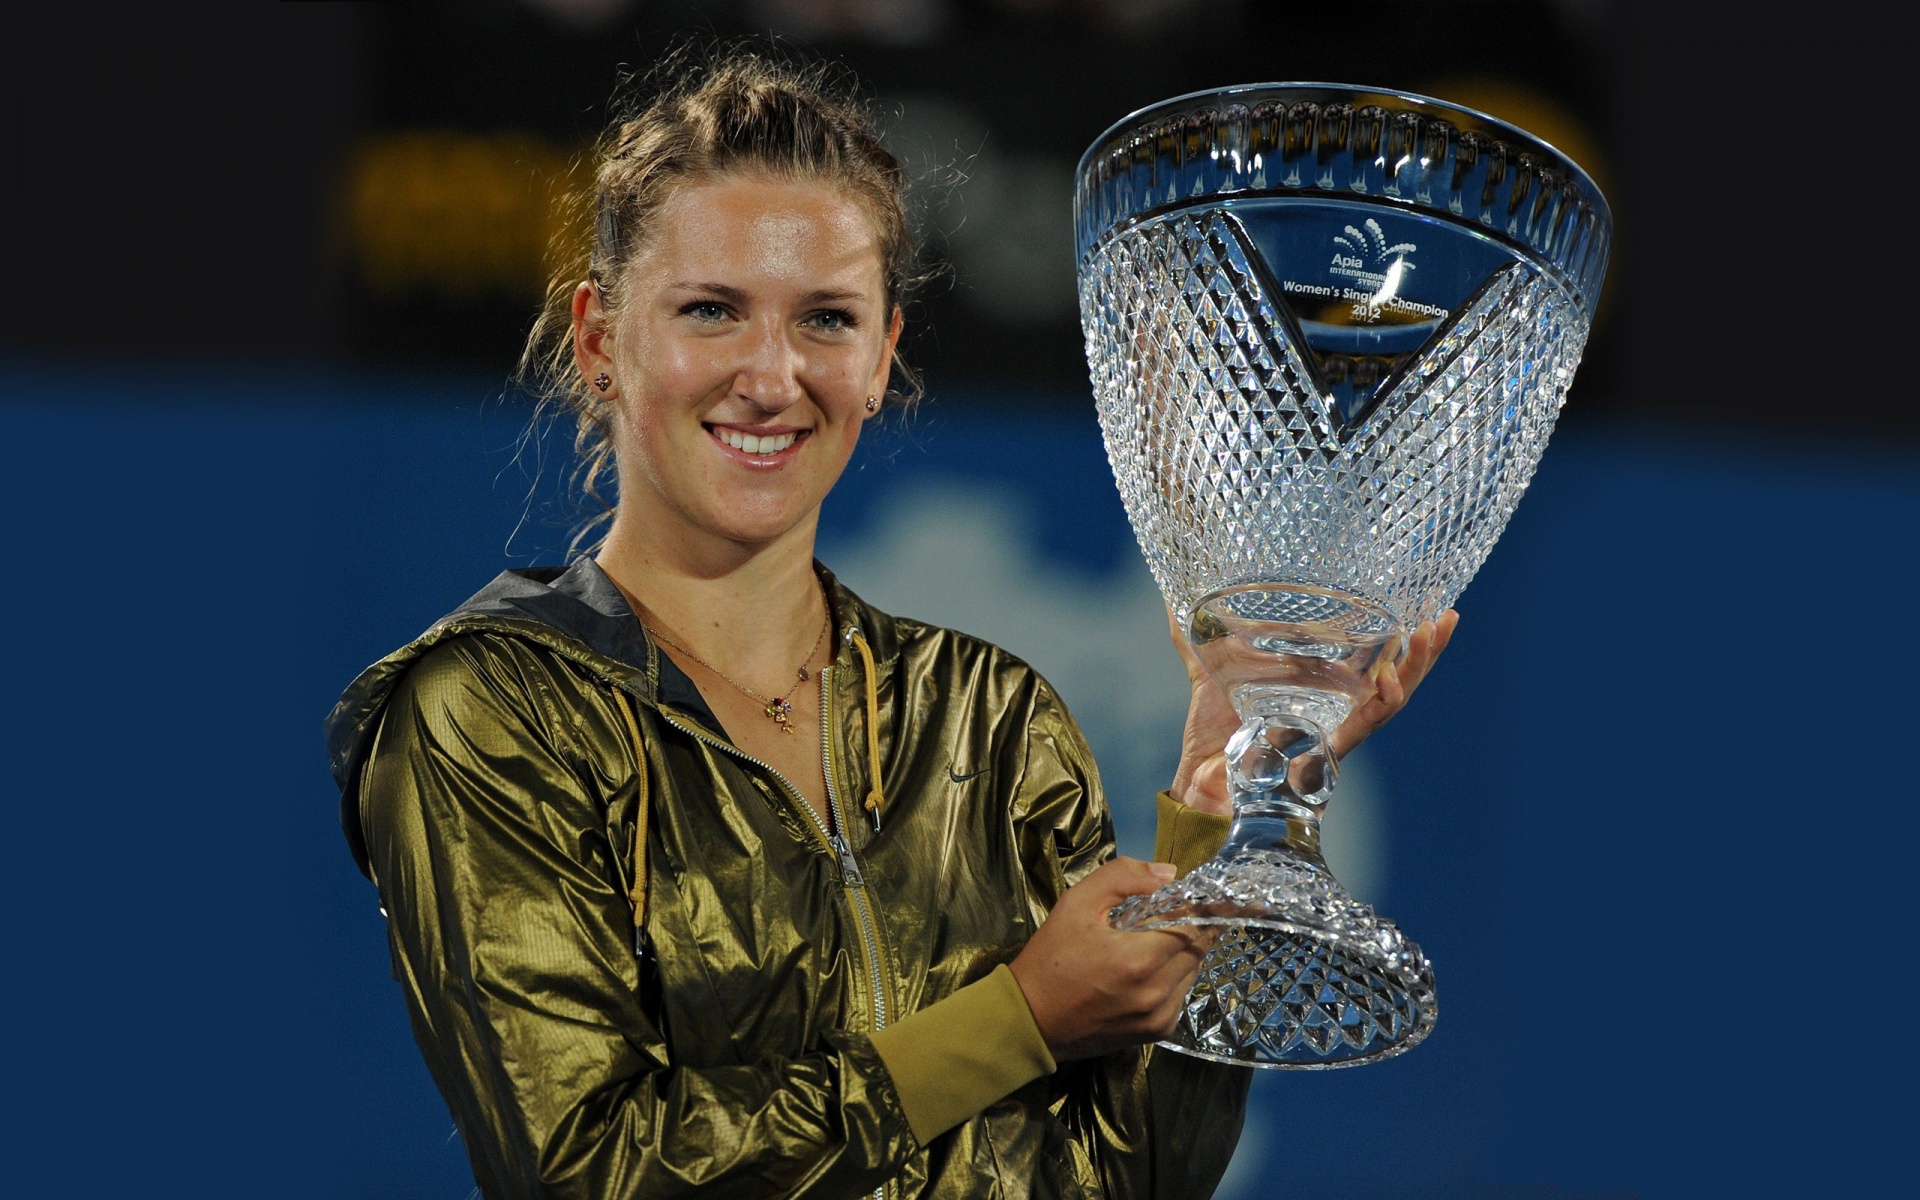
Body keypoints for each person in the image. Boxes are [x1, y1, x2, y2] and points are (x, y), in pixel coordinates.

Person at [324, 48, 1455, 1200]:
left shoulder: (990, 715)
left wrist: (1220, 805)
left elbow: (1135, 1177)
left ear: (880, 359)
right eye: (712, 310)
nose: (771, 376)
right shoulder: (488, 707)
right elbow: (588, 1171)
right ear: (601, 341)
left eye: (825, 319)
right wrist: (1014, 1021)